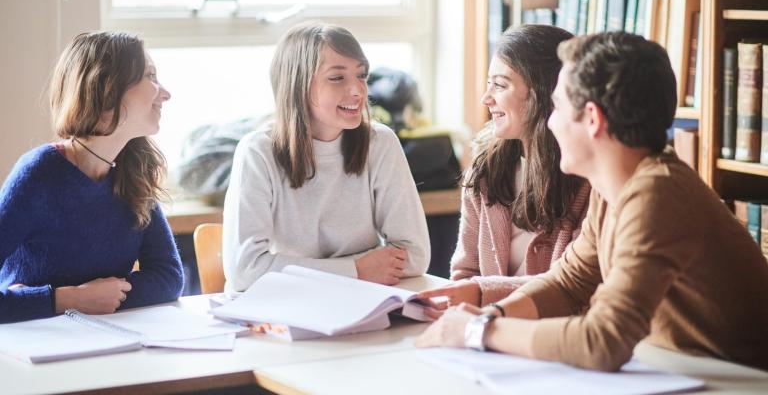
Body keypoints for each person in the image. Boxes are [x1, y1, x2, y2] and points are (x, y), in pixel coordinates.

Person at [415, 31, 768, 372]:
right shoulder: (612, 187)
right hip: (685, 370)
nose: (549, 123)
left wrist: (480, 333)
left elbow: (604, 341)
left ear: (593, 120)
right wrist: (491, 316)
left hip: (742, 380)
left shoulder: (657, 194)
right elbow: (568, 284)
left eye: (556, 107)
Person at [222, 22, 430, 292]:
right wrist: (358, 270)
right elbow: (245, 271)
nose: (357, 90)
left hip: (360, 303)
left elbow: (414, 256)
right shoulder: (257, 152)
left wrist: (294, 269)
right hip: (284, 307)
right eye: (337, 78)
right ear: (298, 85)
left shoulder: (380, 143)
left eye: (362, 76)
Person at [0, 31, 184, 323]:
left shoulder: (134, 169)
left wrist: (99, 300)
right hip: (35, 350)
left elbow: (169, 277)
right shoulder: (37, 174)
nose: (165, 93)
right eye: (150, 77)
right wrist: (68, 299)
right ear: (108, 90)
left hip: (102, 341)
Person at [417, 25, 589, 310]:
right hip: (490, 335)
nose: (486, 98)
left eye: (499, 85)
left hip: (553, 336)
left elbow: (574, 289)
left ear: (543, 94)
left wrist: (482, 296)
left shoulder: (589, 180)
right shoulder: (485, 170)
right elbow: (466, 275)